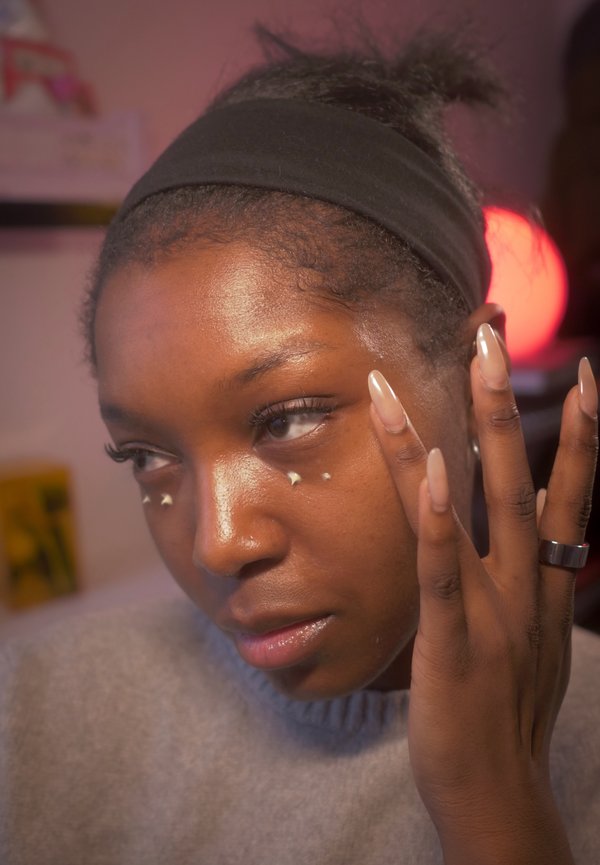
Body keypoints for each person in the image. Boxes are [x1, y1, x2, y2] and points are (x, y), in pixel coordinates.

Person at [1, 26, 599, 865]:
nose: (219, 544)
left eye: (286, 419)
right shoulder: (31, 717)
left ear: (476, 374)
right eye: (146, 456)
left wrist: (498, 809)